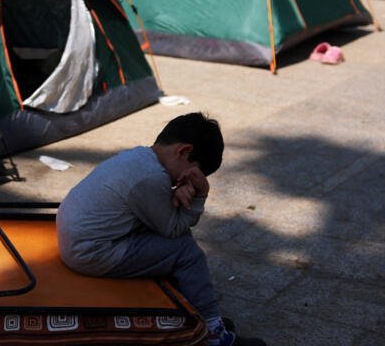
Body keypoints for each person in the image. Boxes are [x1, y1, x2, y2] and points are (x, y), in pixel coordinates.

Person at [56, 113, 266, 346]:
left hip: (79, 240)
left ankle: (193, 312)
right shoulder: (152, 178)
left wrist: (177, 196)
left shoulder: (140, 158)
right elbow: (172, 229)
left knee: (175, 241)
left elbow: (162, 218)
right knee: (186, 252)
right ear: (183, 151)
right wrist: (200, 195)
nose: (188, 182)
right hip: (91, 253)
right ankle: (213, 335)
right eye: (193, 173)